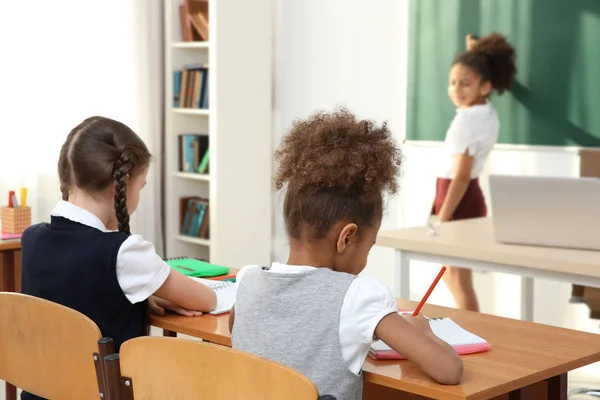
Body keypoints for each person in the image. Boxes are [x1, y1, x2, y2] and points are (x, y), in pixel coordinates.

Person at [229, 109, 463, 399]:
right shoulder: (359, 296)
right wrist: (423, 332)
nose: (367, 257)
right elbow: (449, 371)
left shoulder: (247, 280)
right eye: (369, 246)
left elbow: (242, 328)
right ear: (347, 238)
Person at [20, 116, 217, 400]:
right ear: (121, 183)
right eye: (141, 186)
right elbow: (207, 300)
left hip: (42, 393)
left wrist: (139, 293)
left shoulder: (32, 238)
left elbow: (74, 293)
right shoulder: (123, 252)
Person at [432, 32, 517, 312]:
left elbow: (461, 175)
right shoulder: (485, 111)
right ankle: (468, 327)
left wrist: (442, 217)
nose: (456, 89)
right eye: (452, 82)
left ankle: (470, 329)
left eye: (465, 84)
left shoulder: (467, 121)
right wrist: (475, 53)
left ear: (484, 87)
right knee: (453, 272)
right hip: (462, 195)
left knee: (457, 276)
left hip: (457, 196)